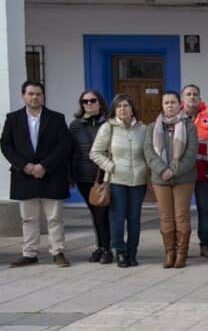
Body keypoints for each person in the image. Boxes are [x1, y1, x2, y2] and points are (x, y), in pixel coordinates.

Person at [1, 81, 73, 268]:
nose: (34, 97)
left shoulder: (56, 118)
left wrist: (44, 166)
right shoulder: (13, 118)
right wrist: (24, 165)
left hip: (51, 174)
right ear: (23, 95)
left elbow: (64, 145)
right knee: (29, 218)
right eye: (31, 94)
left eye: (38, 94)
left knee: (54, 217)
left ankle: (57, 252)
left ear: (43, 96)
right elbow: (6, 145)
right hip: (24, 174)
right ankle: (30, 253)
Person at [89, 93, 148, 267]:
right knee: (117, 218)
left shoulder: (143, 129)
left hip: (139, 180)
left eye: (126, 106)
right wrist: (111, 166)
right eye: (119, 106)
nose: (123, 109)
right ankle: (120, 252)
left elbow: (149, 152)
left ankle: (132, 253)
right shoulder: (109, 127)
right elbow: (95, 153)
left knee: (134, 218)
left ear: (132, 109)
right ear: (114, 110)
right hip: (116, 180)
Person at [143, 90, 199, 269]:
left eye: (173, 102)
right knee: (166, 216)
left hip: (184, 177)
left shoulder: (188, 125)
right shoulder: (152, 127)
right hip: (160, 179)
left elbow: (191, 153)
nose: (169, 105)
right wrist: (162, 170)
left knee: (181, 215)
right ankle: (169, 253)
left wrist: (173, 171)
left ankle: (182, 254)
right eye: (166, 103)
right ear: (162, 105)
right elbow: (149, 152)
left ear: (179, 104)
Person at [70, 89, 111, 264]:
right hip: (84, 176)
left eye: (92, 101)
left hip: (105, 174)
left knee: (104, 213)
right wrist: (70, 175)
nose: (88, 104)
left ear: (100, 102)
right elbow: (71, 152)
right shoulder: (75, 125)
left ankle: (107, 248)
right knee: (95, 213)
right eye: (84, 102)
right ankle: (101, 246)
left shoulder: (109, 123)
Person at [182, 84, 208, 259]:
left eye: (195, 94)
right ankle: (182, 246)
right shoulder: (175, 118)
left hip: (204, 174)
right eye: (188, 94)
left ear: (200, 97)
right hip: (182, 175)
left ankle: (206, 245)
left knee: (205, 210)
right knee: (182, 212)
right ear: (182, 98)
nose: (192, 97)